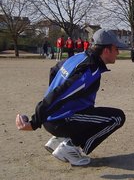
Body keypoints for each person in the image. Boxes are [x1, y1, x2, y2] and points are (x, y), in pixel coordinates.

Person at [15, 29, 126, 166]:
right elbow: (61, 93)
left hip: (53, 118)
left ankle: (59, 139)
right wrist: (34, 122)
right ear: (106, 50)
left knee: (89, 108)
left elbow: (54, 70)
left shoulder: (79, 57)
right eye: (116, 49)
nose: (118, 52)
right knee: (117, 117)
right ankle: (70, 145)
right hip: (58, 121)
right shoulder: (90, 70)